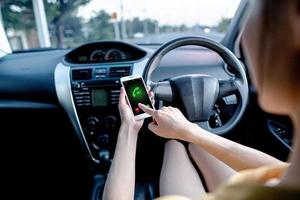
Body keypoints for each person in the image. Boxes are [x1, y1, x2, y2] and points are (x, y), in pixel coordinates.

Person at [102, 0, 300, 199]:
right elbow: (280, 169)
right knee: (195, 144)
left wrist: (129, 127)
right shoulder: (280, 181)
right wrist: (191, 132)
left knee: (173, 146)